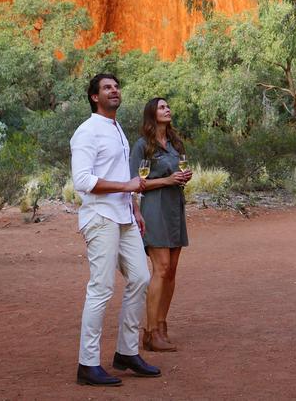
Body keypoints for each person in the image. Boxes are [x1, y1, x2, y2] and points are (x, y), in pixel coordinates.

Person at [70, 73, 162, 386]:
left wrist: (134, 206)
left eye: (117, 86)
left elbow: (122, 172)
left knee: (140, 277)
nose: (114, 91)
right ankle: (88, 363)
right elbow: (82, 181)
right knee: (101, 287)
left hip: (124, 216)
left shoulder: (117, 128)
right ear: (94, 96)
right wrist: (127, 186)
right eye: (107, 88)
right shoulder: (87, 132)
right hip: (100, 217)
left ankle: (125, 353)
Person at [129, 97, 192, 353]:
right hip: (154, 208)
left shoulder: (175, 143)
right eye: (162, 107)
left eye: (168, 107)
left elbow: (177, 173)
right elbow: (134, 182)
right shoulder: (143, 145)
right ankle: (150, 332)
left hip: (175, 206)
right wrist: (167, 180)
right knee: (161, 268)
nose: (167, 110)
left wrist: (183, 177)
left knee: (172, 270)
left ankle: (162, 326)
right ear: (152, 114)